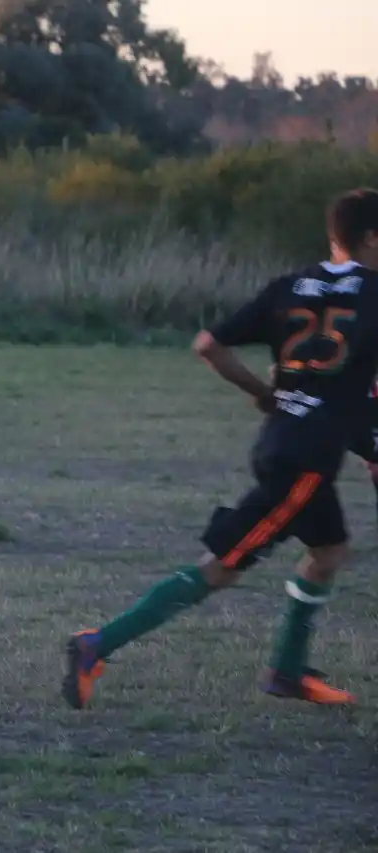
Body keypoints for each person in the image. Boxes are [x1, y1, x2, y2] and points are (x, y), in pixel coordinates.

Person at [63, 187, 378, 710]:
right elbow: (357, 389)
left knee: (329, 553)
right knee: (222, 568)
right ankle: (97, 644)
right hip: (303, 463)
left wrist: (264, 393)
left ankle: (288, 670)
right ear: (371, 238)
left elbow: (208, 344)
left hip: (284, 441)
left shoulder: (290, 286)